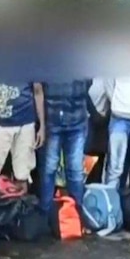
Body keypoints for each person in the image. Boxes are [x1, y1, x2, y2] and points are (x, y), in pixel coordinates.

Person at [0, 82, 45, 188]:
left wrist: (42, 126)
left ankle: (21, 204)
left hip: (25, 125)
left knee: (23, 175)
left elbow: (38, 91)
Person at [40, 80, 90, 211]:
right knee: (49, 169)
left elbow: (87, 83)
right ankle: (46, 214)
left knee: (75, 170)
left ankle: (77, 214)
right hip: (52, 121)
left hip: (77, 121)